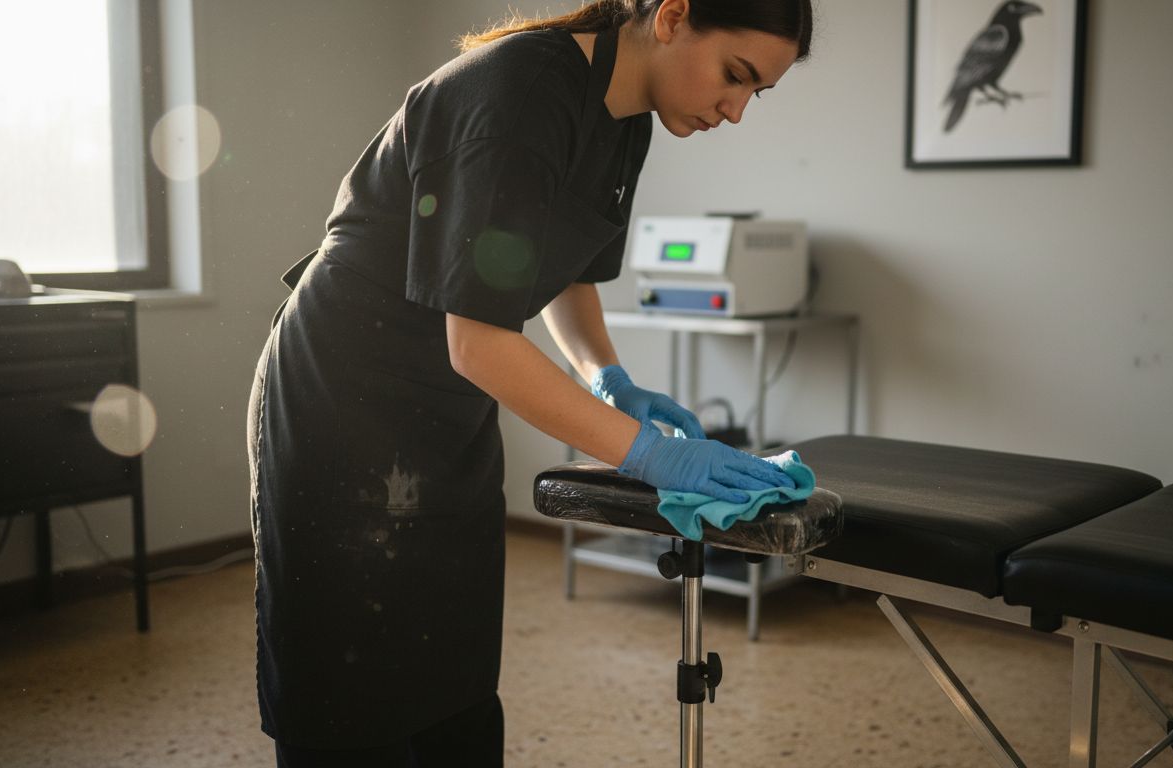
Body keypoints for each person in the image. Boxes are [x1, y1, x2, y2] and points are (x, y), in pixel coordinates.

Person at [245, 0, 813, 764]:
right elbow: (479, 342)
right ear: (673, 16)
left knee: (451, 671)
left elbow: (565, 271)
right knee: (347, 698)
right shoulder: (517, 93)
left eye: (758, 94)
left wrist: (605, 376)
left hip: (445, 404)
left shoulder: (627, 119)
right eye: (735, 76)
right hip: (345, 391)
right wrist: (649, 453)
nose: (737, 110)